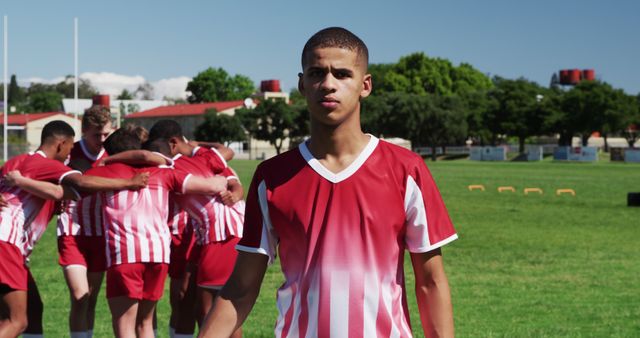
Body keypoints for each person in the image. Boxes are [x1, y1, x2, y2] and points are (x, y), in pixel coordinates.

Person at [199, 27, 458, 338]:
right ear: (302, 84)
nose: (328, 84)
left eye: (342, 74)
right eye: (317, 73)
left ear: (365, 85)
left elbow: (430, 282)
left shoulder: (407, 170)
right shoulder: (272, 177)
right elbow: (241, 288)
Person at [0, 120, 147, 338]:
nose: (70, 153)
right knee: (16, 321)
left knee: (33, 309)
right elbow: (82, 183)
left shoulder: (15, 162)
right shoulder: (47, 165)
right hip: (6, 243)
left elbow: (58, 193)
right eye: (70, 146)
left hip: (15, 251)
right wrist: (128, 183)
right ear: (61, 144)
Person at [104, 120, 244, 338]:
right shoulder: (205, 157)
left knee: (215, 311)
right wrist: (235, 189)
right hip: (222, 232)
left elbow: (144, 158)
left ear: (170, 145)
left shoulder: (168, 167)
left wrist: (109, 159)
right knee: (196, 301)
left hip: (222, 233)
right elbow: (227, 163)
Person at [57, 104, 112, 338]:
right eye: (96, 134)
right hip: (72, 230)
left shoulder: (113, 154)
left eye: (106, 134)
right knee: (80, 296)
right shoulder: (70, 153)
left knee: (91, 298)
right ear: (84, 131)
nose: (101, 139)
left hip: (102, 232)